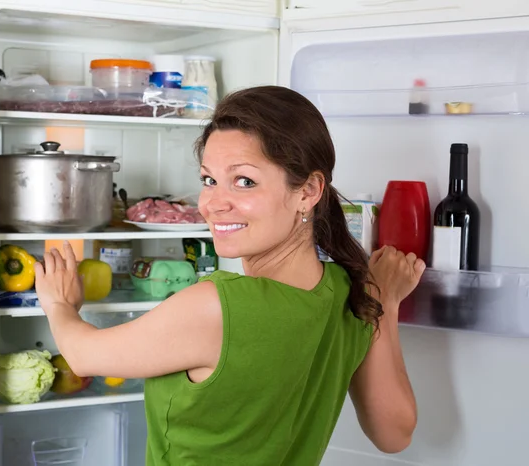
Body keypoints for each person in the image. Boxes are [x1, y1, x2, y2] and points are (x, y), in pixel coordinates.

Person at [34, 86, 425, 465]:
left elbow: (83, 357)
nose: (213, 204)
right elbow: (394, 435)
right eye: (209, 180)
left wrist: (59, 304)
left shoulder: (217, 308)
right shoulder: (348, 291)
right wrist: (384, 302)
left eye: (245, 181)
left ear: (308, 190)